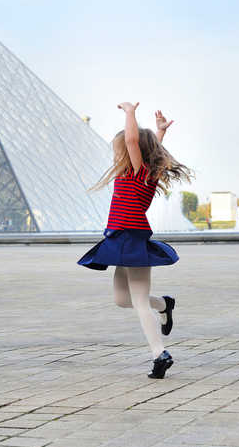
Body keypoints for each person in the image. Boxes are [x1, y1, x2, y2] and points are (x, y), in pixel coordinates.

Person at [78, 102, 193, 379]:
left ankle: (159, 354)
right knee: (122, 299)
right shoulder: (143, 171)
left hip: (132, 238)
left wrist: (130, 112)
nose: (119, 150)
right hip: (119, 239)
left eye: (121, 147)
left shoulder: (140, 172)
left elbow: (133, 139)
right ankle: (165, 305)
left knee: (139, 301)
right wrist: (160, 132)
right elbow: (148, 147)